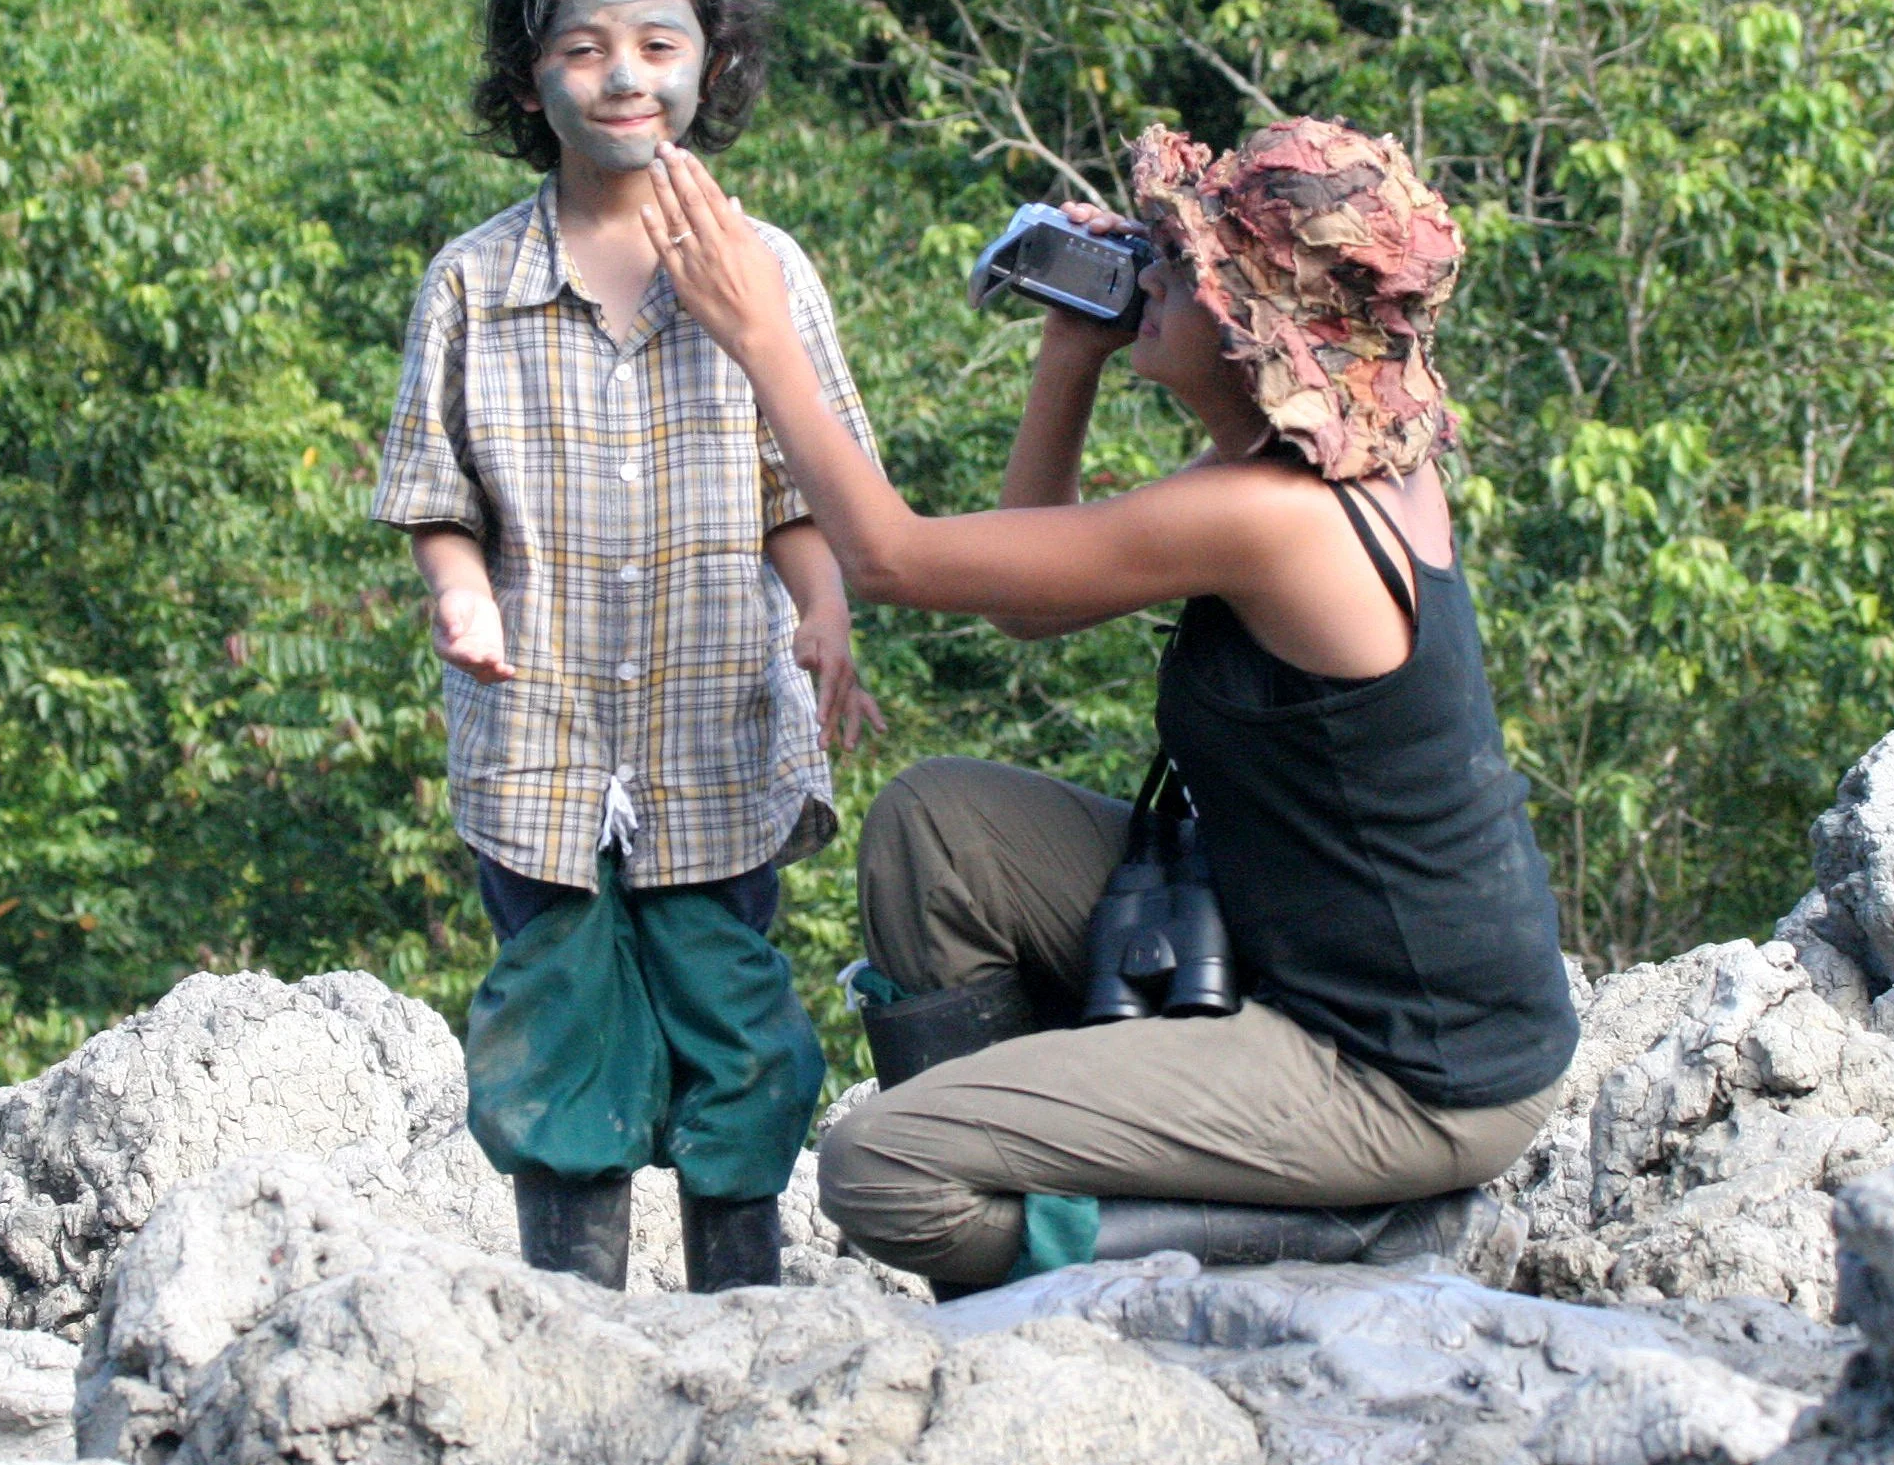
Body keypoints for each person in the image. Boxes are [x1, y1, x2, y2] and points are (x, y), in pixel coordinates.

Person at [636, 116, 1580, 1295]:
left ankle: (1343, 1231)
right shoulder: (1300, 462)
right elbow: (1031, 602)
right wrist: (1068, 356)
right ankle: (1050, 1149)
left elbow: (886, 559)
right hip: (1299, 948)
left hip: (1405, 1068)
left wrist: (757, 330)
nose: (1148, 278)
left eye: (1178, 267)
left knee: (881, 1168)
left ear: (1253, 331)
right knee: (942, 827)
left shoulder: (1274, 517)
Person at [372, 0, 882, 1294]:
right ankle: (569, 1310)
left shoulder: (765, 271)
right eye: (585, 48)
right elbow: (437, 496)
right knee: (556, 1021)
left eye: (657, 45)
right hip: (535, 745)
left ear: (711, 64)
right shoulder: (472, 283)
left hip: (717, 735)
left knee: (735, 1016)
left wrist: (826, 615)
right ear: (529, 79)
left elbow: (805, 488)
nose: (623, 76)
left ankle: (741, 1307)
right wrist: (460, 595)